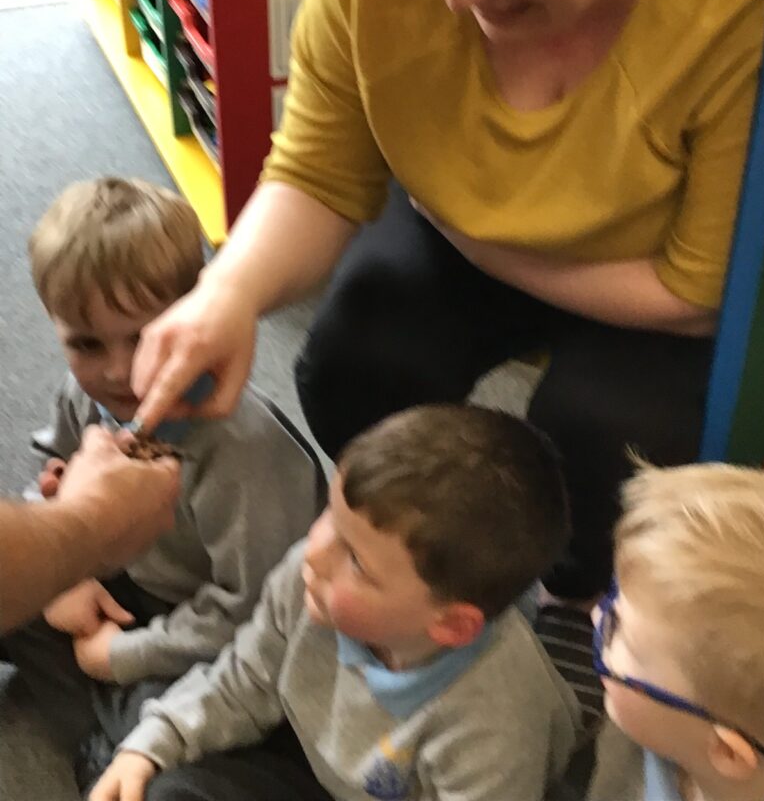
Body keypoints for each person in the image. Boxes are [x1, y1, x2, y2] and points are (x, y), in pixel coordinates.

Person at [129, 0, 764, 719]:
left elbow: (700, 291)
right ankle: (426, 578)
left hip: (646, 278)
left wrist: (472, 236)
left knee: (606, 443)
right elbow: (317, 172)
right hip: (463, 221)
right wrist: (227, 292)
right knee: (355, 361)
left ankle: (574, 607)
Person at [4, 177, 324, 788]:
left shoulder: (244, 453)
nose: (118, 372)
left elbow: (255, 615)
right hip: (130, 590)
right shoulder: (83, 396)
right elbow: (51, 484)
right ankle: (114, 732)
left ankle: (111, 740)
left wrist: (120, 656)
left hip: (222, 636)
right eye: (86, 344)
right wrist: (64, 577)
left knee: (182, 771)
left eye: (144, 337)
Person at [89, 404, 580, 801]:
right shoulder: (313, 581)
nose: (315, 552)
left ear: (451, 626)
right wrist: (150, 748)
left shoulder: (495, 723)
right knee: (158, 763)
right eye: (331, 517)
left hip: (377, 773)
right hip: (310, 742)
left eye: (357, 561)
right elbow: (244, 681)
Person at [593, 462, 764, 801]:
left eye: (624, 637)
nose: (597, 615)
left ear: (726, 752)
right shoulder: (647, 722)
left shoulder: (645, 720)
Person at [0, 426, 180, 634]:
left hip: (173, 615)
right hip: (87, 573)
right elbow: (53, 461)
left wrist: (115, 650)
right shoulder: (87, 411)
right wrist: (69, 574)